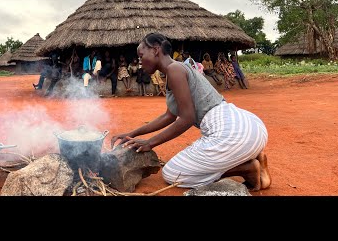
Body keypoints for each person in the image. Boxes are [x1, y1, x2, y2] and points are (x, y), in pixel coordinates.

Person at [111, 33, 271, 191]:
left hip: (230, 132)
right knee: (189, 164)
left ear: (155, 50)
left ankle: (247, 168)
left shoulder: (174, 69)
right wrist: (132, 134)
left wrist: (149, 142)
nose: (139, 61)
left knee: (172, 174)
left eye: (141, 55)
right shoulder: (176, 70)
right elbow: (169, 116)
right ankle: (252, 157)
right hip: (248, 126)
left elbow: (187, 119)